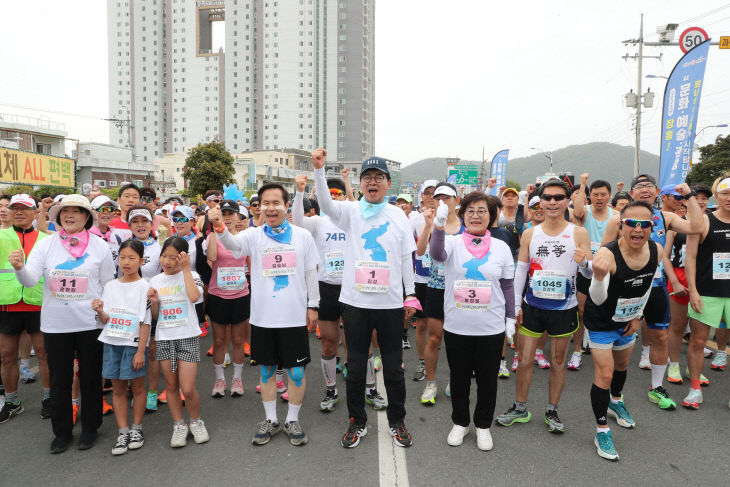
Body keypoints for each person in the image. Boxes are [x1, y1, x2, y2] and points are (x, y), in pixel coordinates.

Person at [311, 148, 419, 449]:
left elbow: (405, 258)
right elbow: (325, 204)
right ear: (360, 185)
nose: (373, 182)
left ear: (387, 184)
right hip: (356, 304)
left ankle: (398, 421)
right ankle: (357, 423)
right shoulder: (350, 212)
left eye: (379, 177)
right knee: (356, 369)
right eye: (368, 177)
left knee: (395, 369)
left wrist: (411, 294)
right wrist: (319, 171)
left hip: (390, 305)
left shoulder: (398, 215)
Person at [210, 182, 320, 447]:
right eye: (266, 203)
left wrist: (313, 305)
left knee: (295, 373)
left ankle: (292, 419)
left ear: (285, 205)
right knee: (267, 372)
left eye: (276, 203)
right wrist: (219, 226)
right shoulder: (254, 235)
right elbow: (233, 245)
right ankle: (270, 419)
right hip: (262, 318)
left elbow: (311, 273)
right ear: (259, 208)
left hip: (293, 317)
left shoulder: (302, 236)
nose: (271, 208)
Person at [10, 194, 115, 453]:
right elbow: (31, 279)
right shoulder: (46, 245)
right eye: (64, 211)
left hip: (90, 323)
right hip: (57, 325)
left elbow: (108, 285)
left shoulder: (99, 246)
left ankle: (90, 428)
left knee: (91, 378)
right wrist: (19, 268)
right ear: (57, 217)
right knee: (60, 380)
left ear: (86, 217)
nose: (69, 215)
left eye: (76, 211)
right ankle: (62, 431)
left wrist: (104, 312)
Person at [496, 179, 591, 433]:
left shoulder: (578, 233)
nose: (552, 202)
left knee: (558, 360)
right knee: (525, 359)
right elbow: (520, 273)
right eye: (547, 198)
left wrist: (584, 265)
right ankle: (519, 407)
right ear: (540, 201)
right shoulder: (530, 233)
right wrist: (514, 306)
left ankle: (552, 410)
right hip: (533, 307)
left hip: (564, 308)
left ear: (567, 200)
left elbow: (591, 274)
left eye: (558, 197)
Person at [601, 175, 703, 410]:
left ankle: (656, 387)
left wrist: (688, 195)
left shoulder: (665, 217)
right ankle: (612, 392)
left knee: (660, 336)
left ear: (657, 191)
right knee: (618, 342)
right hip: (624, 290)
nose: (645, 190)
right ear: (631, 191)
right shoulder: (617, 220)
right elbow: (604, 253)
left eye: (649, 187)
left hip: (655, 286)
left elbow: (696, 226)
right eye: (639, 187)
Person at [429, 192, 515, 451]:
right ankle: (460, 422)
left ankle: (483, 426)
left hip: (490, 327)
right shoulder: (453, 243)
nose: (476, 216)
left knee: (488, 380)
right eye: (471, 211)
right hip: (458, 325)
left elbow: (508, 286)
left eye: (482, 211)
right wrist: (439, 226)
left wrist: (510, 317)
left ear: (491, 216)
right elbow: (435, 255)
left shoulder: (501, 247)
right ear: (462, 215)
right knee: (459, 378)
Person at [584, 201, 660, 461]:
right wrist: (597, 274)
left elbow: (647, 285)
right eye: (631, 223)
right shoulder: (607, 254)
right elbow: (596, 297)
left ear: (652, 227)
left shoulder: (656, 250)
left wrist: (639, 315)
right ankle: (601, 429)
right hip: (602, 322)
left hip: (629, 320)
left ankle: (616, 401)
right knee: (604, 374)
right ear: (621, 225)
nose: (638, 229)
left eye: (645, 224)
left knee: (622, 365)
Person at [292, 174, 368, 413]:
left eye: (339, 195)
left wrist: (347, 187)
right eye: (330, 195)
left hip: (355, 287)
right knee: (328, 343)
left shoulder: (355, 219)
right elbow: (296, 222)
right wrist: (301, 192)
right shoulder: (318, 223)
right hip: (327, 289)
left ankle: (368, 387)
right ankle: (330, 389)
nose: (334, 199)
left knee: (359, 343)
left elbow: (355, 202)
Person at [148, 237, 209, 447]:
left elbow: (194, 297)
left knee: (188, 388)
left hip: (188, 336)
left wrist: (184, 270)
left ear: (183, 257)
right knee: (172, 386)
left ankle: (196, 422)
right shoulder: (155, 281)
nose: (166, 261)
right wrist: (154, 303)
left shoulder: (192, 275)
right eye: (164, 256)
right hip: (165, 337)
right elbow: (156, 315)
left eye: (173, 257)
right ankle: (179, 425)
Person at [92, 239, 152, 455]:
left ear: (142, 261)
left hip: (133, 344)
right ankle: (123, 431)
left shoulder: (145, 287)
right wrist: (99, 310)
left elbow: (145, 321)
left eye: (132, 258)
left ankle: (137, 428)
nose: (126, 262)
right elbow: (106, 319)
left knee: (137, 388)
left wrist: (140, 350)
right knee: (117, 389)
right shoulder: (110, 286)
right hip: (112, 343)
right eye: (122, 257)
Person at [0, 194, 51, 423]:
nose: (19, 212)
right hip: (7, 303)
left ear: (35, 212)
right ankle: (12, 401)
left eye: (25, 208)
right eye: (15, 209)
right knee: (7, 355)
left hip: (37, 302)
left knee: (43, 354)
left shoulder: (46, 239)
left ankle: (48, 398)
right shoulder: (1, 236)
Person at [684, 175, 730, 409]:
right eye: (724, 193)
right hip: (707, 291)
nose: (729, 198)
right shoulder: (703, 221)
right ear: (718, 196)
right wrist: (693, 290)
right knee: (699, 341)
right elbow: (689, 257)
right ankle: (694, 388)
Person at [417, 183, 464, 405]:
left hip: (461, 290)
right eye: (438, 199)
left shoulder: (467, 225)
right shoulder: (432, 223)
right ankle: (431, 383)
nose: (443, 203)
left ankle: (455, 381)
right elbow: (419, 251)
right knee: (434, 338)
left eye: (447, 198)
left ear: (456, 200)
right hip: (436, 287)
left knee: (458, 341)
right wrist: (429, 226)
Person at [665, 184, 713, 385]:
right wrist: (674, 282)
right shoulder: (677, 224)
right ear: (685, 200)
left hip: (702, 280)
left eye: (704, 198)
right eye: (696, 197)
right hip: (678, 278)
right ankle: (673, 364)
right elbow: (665, 257)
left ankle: (693, 367)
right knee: (677, 326)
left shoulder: (712, 223)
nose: (700, 202)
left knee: (698, 331)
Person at [204, 200, 250, 398]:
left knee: (239, 340)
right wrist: (215, 230)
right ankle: (220, 379)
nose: (228, 217)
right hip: (218, 295)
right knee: (220, 340)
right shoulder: (211, 237)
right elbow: (212, 258)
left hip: (241, 295)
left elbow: (251, 265)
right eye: (224, 213)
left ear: (239, 217)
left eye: (232, 214)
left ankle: (237, 379)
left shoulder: (245, 238)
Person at [572, 174, 614, 370]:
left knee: (605, 308)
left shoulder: (615, 216)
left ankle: (601, 345)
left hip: (607, 268)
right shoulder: (586, 212)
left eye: (603, 194)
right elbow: (577, 209)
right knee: (581, 310)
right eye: (595, 194)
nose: (599, 198)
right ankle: (577, 351)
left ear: (609, 196)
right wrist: (583, 184)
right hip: (585, 268)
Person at [409, 179, 438, 381]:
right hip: (420, 279)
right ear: (422, 196)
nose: (431, 197)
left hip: (442, 281)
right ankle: (421, 361)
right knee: (421, 325)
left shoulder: (450, 219)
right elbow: (409, 250)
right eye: (427, 193)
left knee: (438, 328)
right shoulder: (415, 220)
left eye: (436, 194)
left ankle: (434, 362)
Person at [89, 196, 124, 265]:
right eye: (102, 209)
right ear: (92, 211)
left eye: (110, 209)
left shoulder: (117, 238)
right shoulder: (85, 236)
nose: (106, 212)